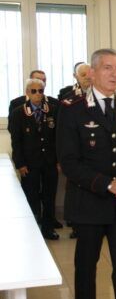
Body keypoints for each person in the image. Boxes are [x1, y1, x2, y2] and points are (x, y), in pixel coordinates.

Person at [57, 48, 116, 298]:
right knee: (86, 270)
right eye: (108, 67)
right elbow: (69, 163)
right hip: (89, 203)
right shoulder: (72, 108)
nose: (115, 73)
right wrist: (110, 184)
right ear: (92, 73)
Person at [10, 78, 60, 240]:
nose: (38, 94)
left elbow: (58, 138)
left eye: (41, 91)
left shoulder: (52, 110)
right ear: (27, 93)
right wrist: (20, 163)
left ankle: (48, 228)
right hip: (29, 163)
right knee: (31, 196)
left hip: (49, 162)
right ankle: (32, 230)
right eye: (34, 91)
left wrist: (59, 160)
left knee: (49, 196)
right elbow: (16, 141)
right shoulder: (18, 112)